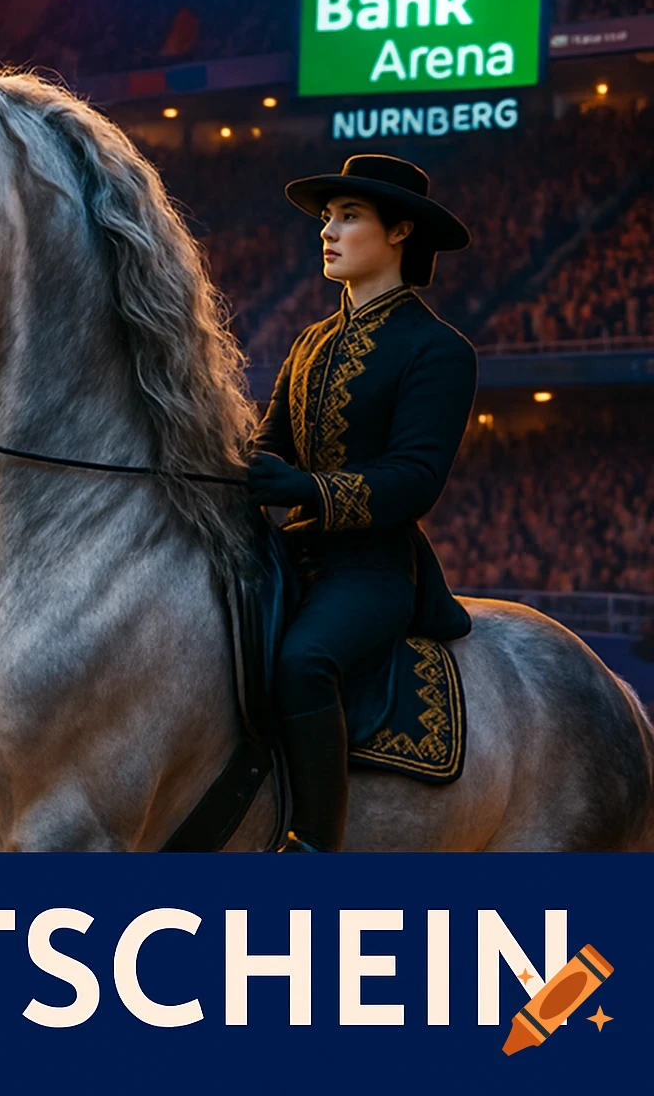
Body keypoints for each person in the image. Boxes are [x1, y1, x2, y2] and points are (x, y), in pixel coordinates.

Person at [246, 153, 477, 853]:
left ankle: (315, 846)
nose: (329, 231)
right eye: (326, 218)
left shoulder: (439, 349)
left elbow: (414, 479)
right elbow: (270, 445)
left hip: (372, 570)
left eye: (349, 217)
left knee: (303, 664)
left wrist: (306, 490)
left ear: (401, 230)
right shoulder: (310, 341)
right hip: (293, 553)